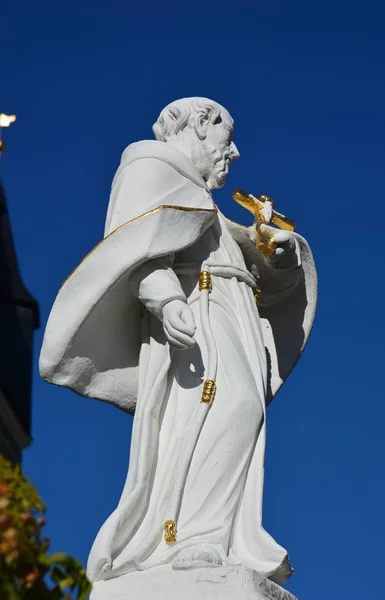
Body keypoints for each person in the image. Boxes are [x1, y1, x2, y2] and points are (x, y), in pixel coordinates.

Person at [39, 97, 317, 585]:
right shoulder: (148, 167)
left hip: (235, 310)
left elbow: (253, 264)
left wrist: (277, 252)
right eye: (227, 139)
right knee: (228, 407)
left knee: (239, 413)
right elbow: (133, 250)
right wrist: (167, 300)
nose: (233, 153)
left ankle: (215, 535)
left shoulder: (204, 200)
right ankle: (193, 537)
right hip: (198, 305)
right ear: (200, 125)